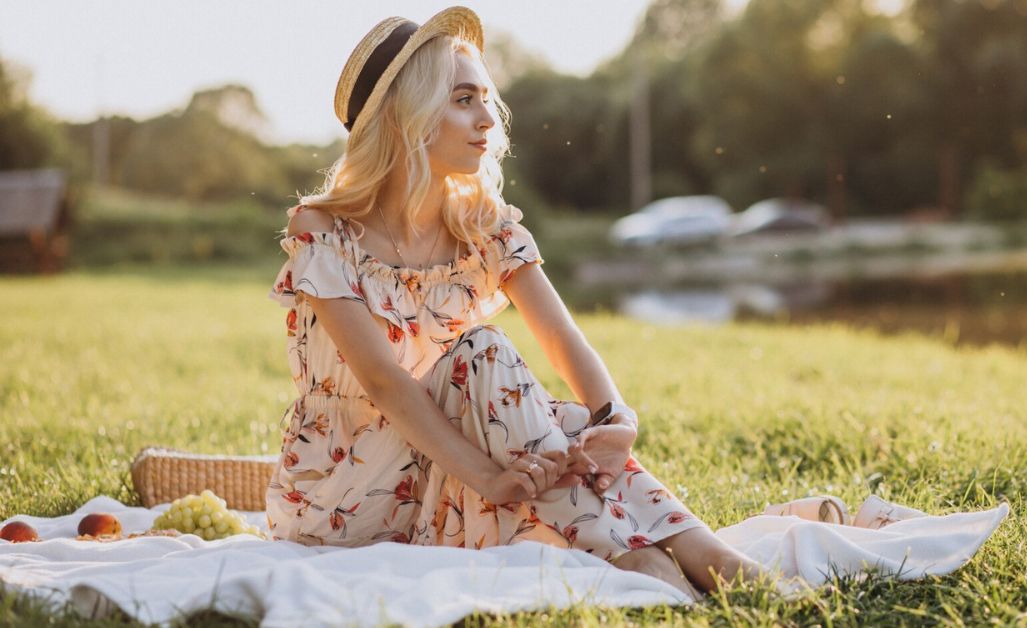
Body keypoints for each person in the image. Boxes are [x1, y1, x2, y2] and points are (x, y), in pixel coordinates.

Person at [264, 6, 829, 599]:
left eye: (486, 98)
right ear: (409, 115)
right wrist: (492, 477)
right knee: (481, 352)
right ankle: (648, 557)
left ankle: (691, 553)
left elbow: (563, 339)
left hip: (448, 474)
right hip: (346, 503)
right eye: (463, 99)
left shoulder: (485, 227)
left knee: (574, 422)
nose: (488, 118)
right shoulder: (324, 231)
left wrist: (617, 422)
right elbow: (385, 381)